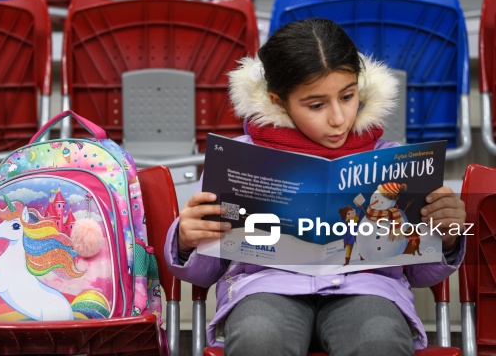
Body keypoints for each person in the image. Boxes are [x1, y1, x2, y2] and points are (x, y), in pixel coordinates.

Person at [164, 18, 466, 356]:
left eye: (348, 96)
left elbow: (419, 271)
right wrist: (186, 241)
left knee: (379, 339)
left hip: (369, 290)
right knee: (259, 338)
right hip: (265, 287)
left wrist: (447, 236)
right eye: (316, 105)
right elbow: (207, 272)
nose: (338, 118)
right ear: (279, 101)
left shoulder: (392, 160)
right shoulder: (240, 158)